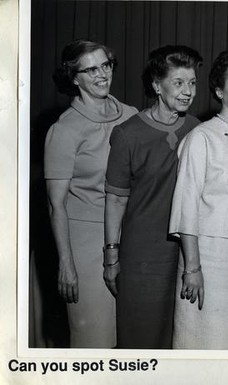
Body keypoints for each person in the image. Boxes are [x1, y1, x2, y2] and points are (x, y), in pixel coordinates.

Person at [104, 45, 202, 348]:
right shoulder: (127, 134)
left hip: (186, 254)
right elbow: (116, 201)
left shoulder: (197, 130)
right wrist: (111, 257)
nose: (187, 91)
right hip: (142, 258)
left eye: (192, 83)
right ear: (156, 86)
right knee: (141, 341)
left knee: (181, 341)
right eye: (178, 83)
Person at [44, 39, 137, 348]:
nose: (102, 75)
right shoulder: (64, 130)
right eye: (91, 69)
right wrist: (66, 264)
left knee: (132, 340)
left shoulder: (131, 115)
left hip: (131, 237)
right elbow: (56, 205)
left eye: (106, 65)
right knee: (95, 342)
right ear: (74, 77)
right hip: (86, 247)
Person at [169, 49, 228, 349]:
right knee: (204, 342)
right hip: (207, 258)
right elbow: (186, 206)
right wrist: (192, 268)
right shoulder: (201, 137)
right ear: (220, 91)